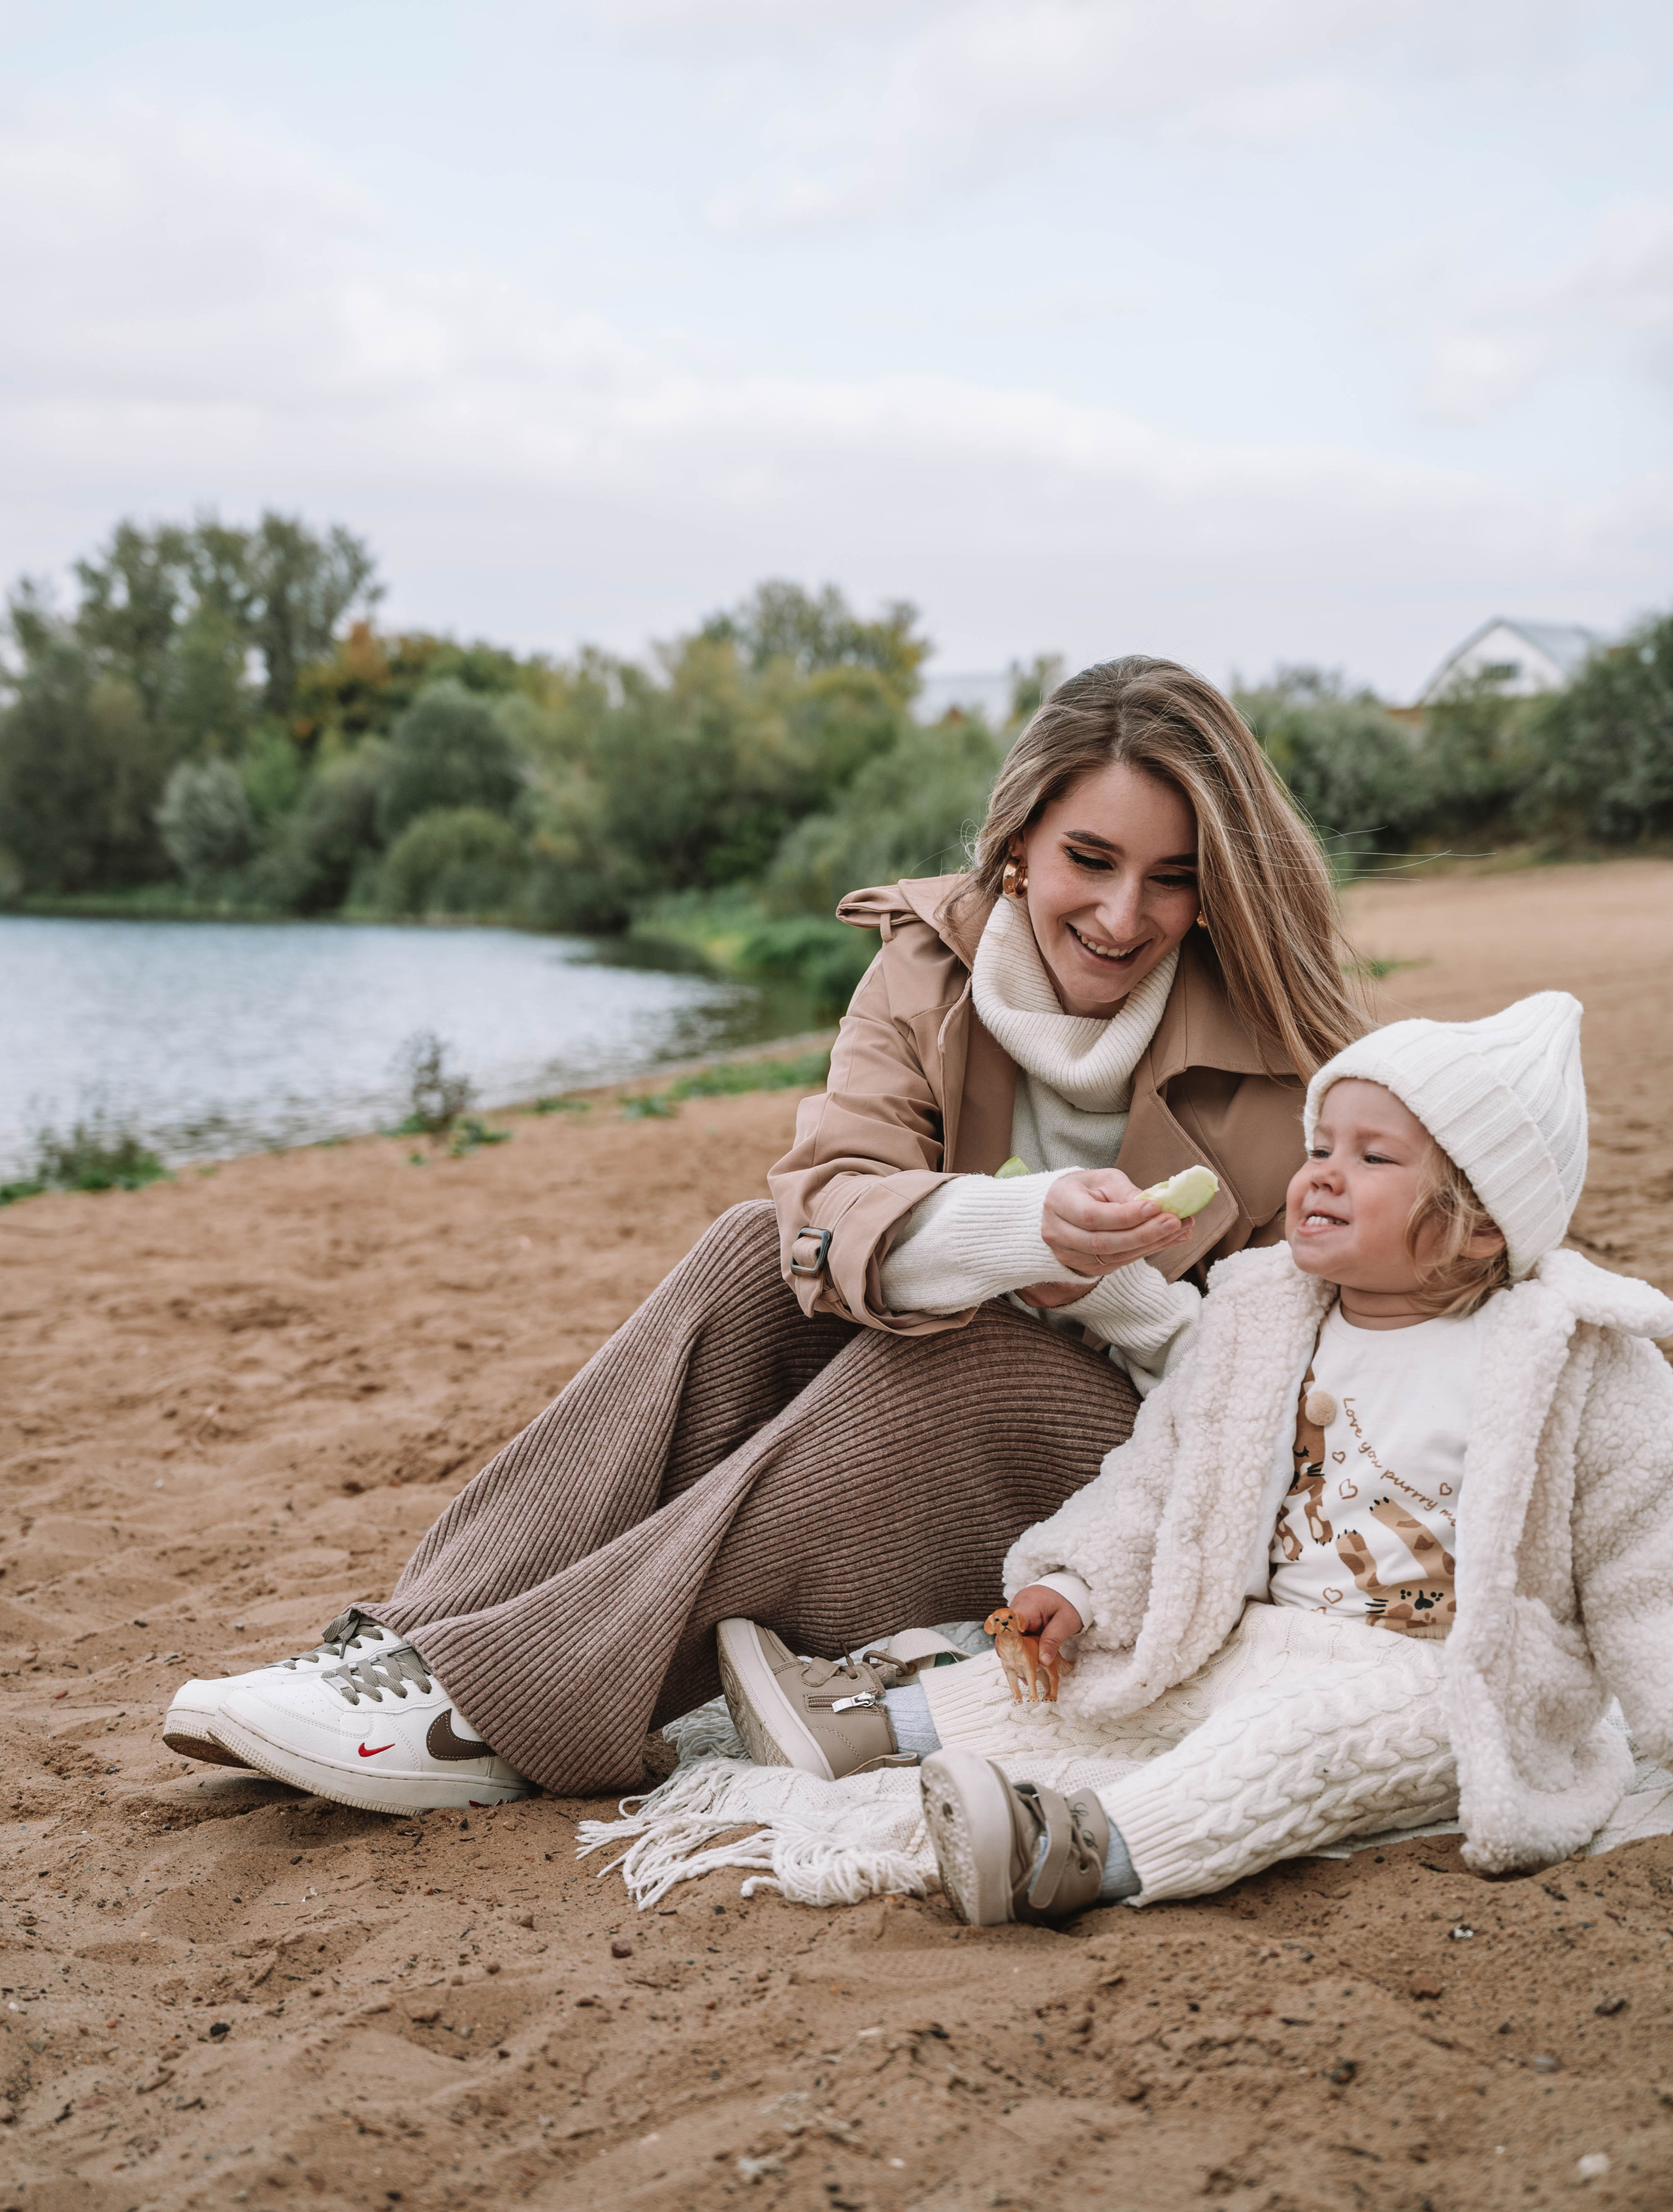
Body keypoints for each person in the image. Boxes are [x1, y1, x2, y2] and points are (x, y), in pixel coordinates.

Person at [161, 655, 1361, 1812]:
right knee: (751, 1247)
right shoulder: (927, 972)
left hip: (1139, 1462)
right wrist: (1023, 1230)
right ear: (1015, 850)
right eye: (1088, 861)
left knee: (977, 1355)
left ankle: (504, 1708)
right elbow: (827, 1200)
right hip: (939, 1396)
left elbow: (1300, 1384)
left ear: (1216, 888)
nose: (1119, 913)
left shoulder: (1294, 1069)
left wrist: (1109, 1298)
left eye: (1170, 877)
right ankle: (415, 1641)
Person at [719, 993, 1673, 1922]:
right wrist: (1080, 1589)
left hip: (1449, 1679)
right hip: (1263, 1632)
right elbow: (1161, 1474)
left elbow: (1646, 1563)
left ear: (1486, 1220)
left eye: (1373, 1157)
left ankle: (1082, 1849)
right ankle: (880, 1726)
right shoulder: (1265, 1316)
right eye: (1320, 1147)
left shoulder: (1575, 1360)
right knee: (1114, 1677)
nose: (1322, 1175)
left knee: (1293, 1748)